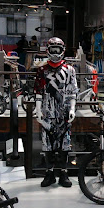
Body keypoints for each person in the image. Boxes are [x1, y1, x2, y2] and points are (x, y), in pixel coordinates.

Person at [34, 36, 78, 188]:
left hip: (64, 113)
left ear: (62, 50)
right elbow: (38, 92)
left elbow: (73, 92)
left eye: (57, 49)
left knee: (65, 144)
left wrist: (72, 109)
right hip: (47, 113)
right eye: (52, 49)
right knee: (47, 144)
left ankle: (64, 173)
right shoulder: (42, 70)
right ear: (48, 50)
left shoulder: (70, 70)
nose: (55, 53)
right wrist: (38, 110)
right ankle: (49, 173)